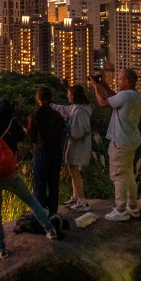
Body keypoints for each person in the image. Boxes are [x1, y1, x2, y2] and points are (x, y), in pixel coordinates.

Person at [0, 98, 60, 258]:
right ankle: (50, 230)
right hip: (11, 173)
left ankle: (1, 249)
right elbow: (22, 137)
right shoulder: (13, 125)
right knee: (31, 200)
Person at [91, 68, 141, 221]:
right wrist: (105, 86)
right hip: (130, 140)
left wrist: (95, 87)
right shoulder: (134, 95)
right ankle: (133, 207)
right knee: (128, 174)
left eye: (120, 79)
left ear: (126, 81)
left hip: (120, 141)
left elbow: (102, 103)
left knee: (118, 175)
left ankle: (120, 209)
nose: (118, 81)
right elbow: (116, 98)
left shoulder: (125, 96)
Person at [52, 84, 93, 212]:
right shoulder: (76, 108)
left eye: (69, 93)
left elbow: (76, 133)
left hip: (79, 146)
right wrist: (51, 105)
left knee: (75, 172)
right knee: (72, 171)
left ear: (74, 95)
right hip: (75, 146)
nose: (67, 95)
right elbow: (64, 109)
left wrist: (66, 124)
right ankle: (76, 197)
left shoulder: (80, 112)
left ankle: (82, 201)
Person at [26, 86, 65, 217]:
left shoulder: (35, 115)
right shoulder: (57, 115)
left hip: (41, 152)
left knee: (40, 183)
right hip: (55, 153)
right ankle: (53, 211)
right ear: (50, 98)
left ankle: (41, 212)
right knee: (54, 183)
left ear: (38, 99)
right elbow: (62, 133)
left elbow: (31, 137)